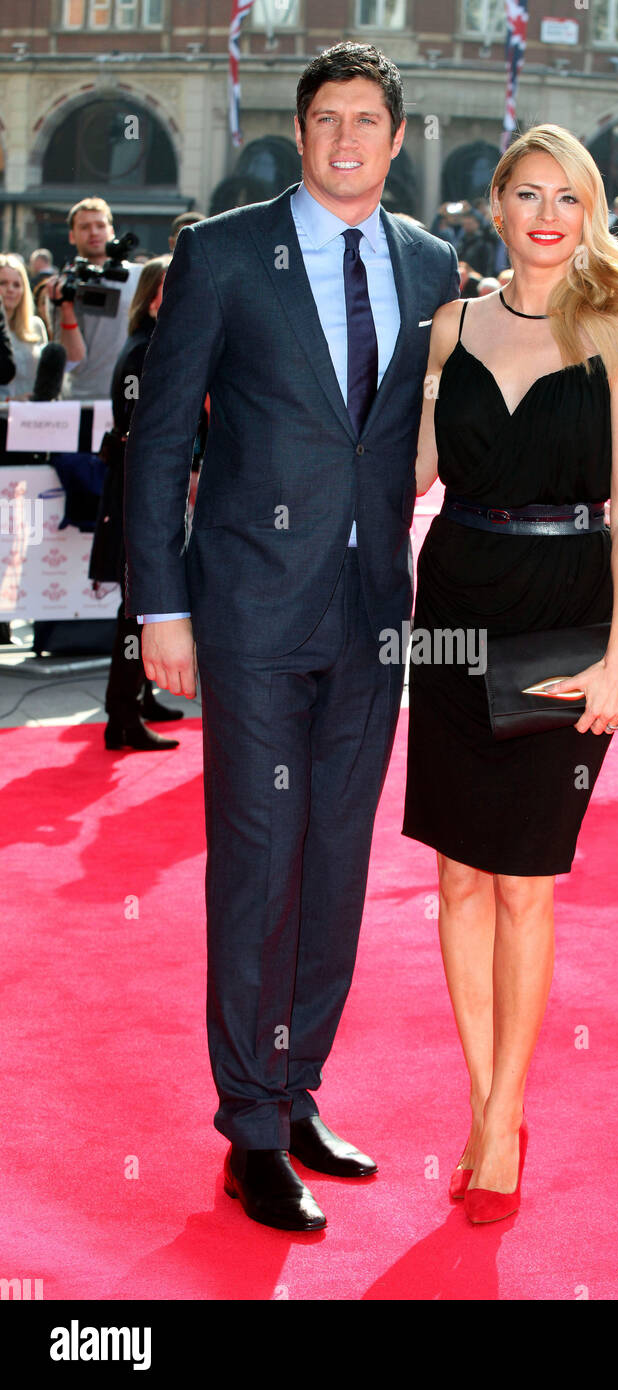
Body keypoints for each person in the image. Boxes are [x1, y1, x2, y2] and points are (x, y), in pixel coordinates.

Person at [123, 41, 459, 1233]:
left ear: (397, 136)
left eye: (370, 118)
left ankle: (298, 1083)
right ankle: (249, 1128)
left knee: (334, 869)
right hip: (251, 614)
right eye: (328, 117)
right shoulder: (220, 255)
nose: (348, 138)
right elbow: (161, 442)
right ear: (300, 129)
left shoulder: (431, 266)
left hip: (374, 621)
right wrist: (159, 610)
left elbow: (429, 432)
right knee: (258, 863)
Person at [402, 124, 618, 1223]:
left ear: (588, 209)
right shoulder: (451, 321)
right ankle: (481, 1097)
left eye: (568, 196)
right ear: (495, 205)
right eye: (526, 193)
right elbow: (408, 471)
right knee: (456, 878)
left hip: (562, 618)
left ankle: (503, 1113)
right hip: (452, 605)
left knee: (523, 879)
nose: (547, 213)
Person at [91, 255, 188, 753]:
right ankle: (122, 717)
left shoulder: (154, 347)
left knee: (140, 607)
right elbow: (144, 442)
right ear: (155, 298)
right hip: (139, 501)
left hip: (141, 497)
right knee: (138, 609)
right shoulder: (145, 353)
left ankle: (139, 699)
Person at [43, 197, 143, 400]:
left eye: (100, 225)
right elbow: (72, 360)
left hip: (130, 396)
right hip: (80, 399)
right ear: (72, 236)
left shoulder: (140, 277)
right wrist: (66, 307)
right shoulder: (62, 288)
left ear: (112, 231)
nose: (94, 232)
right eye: (85, 227)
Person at [0, 254, 56, 401]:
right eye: (3, 283)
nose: (10, 290)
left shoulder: (36, 326)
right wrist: (9, 401)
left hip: (34, 416)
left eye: (17, 285)